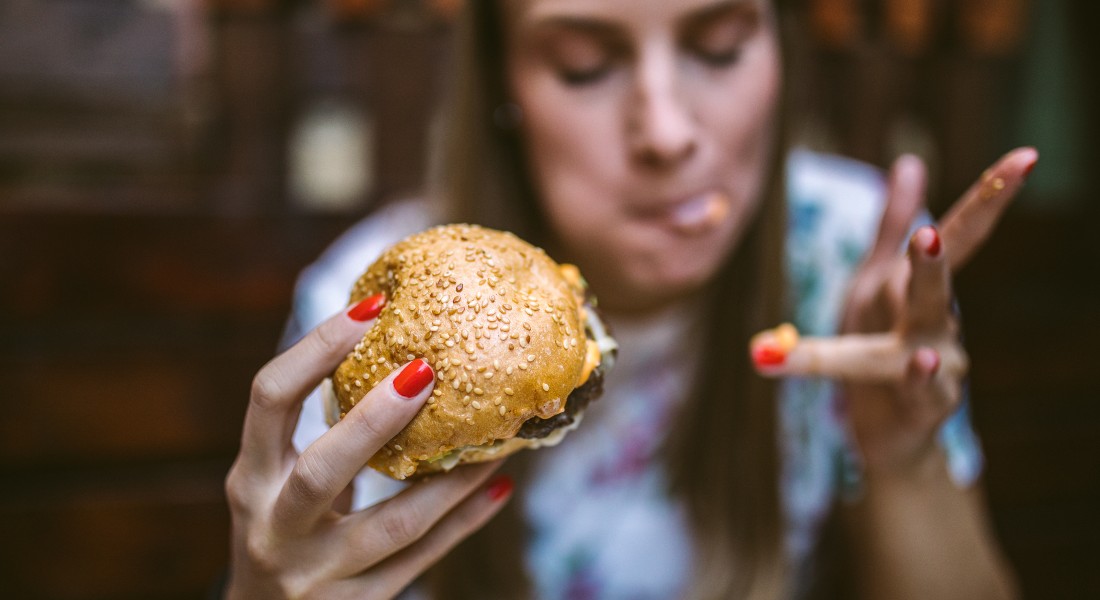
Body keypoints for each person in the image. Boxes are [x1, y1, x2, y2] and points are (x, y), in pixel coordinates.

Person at [223, 0, 1033, 597]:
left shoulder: (854, 258)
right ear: (503, 86)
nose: (668, 131)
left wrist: (906, 465)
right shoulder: (374, 316)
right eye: (586, 64)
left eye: (718, 48)